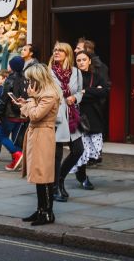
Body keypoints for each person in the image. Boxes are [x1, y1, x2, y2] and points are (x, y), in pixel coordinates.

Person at [14, 63, 61, 226]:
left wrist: (31, 99)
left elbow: (35, 115)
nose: (28, 84)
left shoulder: (49, 95)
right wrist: (25, 102)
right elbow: (31, 112)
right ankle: (41, 210)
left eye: (30, 80)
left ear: (37, 78)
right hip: (37, 134)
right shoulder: (43, 93)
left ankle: (47, 213)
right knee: (38, 174)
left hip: (43, 135)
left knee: (44, 174)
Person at [50, 42, 84, 202]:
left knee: (78, 150)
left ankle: (61, 178)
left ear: (67, 53)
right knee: (56, 155)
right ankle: (55, 187)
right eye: (55, 50)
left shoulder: (76, 72)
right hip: (56, 116)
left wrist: (74, 97)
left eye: (60, 50)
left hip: (71, 116)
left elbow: (80, 91)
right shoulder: (48, 72)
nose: (57, 52)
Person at [72, 49, 108, 189]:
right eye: (79, 60)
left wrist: (85, 91)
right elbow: (72, 94)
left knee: (94, 151)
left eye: (84, 60)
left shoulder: (97, 76)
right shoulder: (74, 77)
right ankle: (82, 177)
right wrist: (94, 91)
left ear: (89, 61)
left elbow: (104, 91)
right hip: (77, 116)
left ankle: (81, 174)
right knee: (81, 150)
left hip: (94, 116)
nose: (81, 62)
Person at [0, 56, 28, 170]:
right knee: (17, 140)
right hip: (22, 114)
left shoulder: (10, 80)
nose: (8, 66)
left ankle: (17, 155)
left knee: (2, 136)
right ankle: (18, 163)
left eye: (10, 64)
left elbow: (3, 99)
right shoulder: (26, 79)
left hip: (9, 115)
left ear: (13, 66)